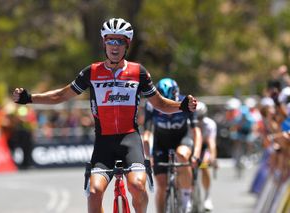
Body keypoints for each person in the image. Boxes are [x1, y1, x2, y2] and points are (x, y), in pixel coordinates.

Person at [12, 18, 197, 213]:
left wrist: (182, 106)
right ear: (104, 43)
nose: (114, 46)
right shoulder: (91, 72)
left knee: (137, 187)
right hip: (104, 143)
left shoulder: (138, 72)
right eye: (110, 41)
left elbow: (159, 103)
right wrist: (30, 98)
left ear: (127, 44)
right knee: (94, 192)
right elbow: (61, 95)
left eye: (119, 41)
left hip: (130, 140)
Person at [142, 78, 202, 213]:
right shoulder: (151, 105)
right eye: (163, 104)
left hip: (182, 139)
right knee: (162, 186)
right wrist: (148, 156)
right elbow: (146, 134)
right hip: (161, 143)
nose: (166, 108)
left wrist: (196, 155)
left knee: (182, 154)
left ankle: (186, 200)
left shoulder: (186, 102)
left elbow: (196, 131)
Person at [195, 101, 217, 211]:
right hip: (191, 146)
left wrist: (213, 157)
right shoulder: (188, 122)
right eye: (196, 117)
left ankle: (207, 196)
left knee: (204, 166)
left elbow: (211, 143)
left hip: (204, 148)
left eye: (200, 117)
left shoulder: (210, 124)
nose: (198, 120)